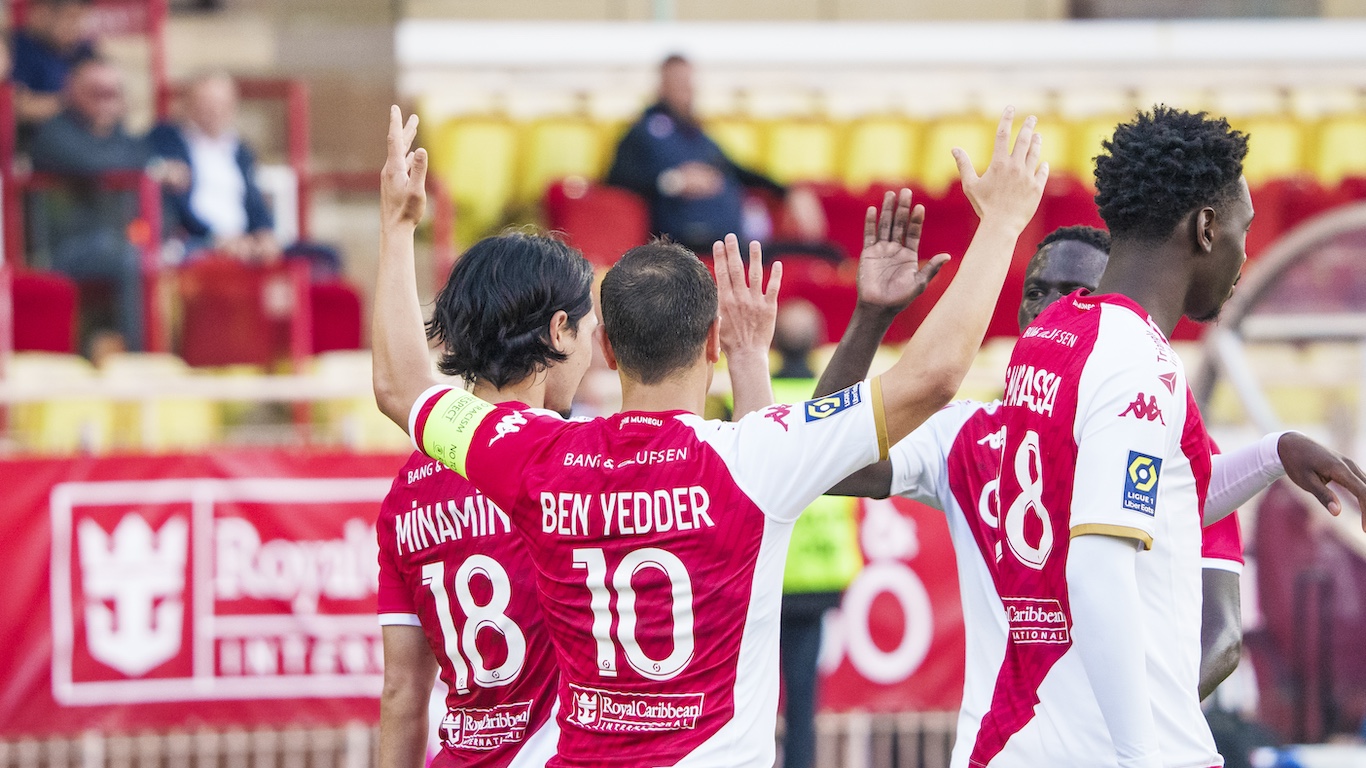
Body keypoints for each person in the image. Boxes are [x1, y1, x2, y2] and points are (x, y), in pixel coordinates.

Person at [373, 105, 1047, 766]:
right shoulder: (751, 459)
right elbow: (932, 377)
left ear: (609, 350)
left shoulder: (541, 456)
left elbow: (403, 389)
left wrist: (399, 226)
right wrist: (1002, 224)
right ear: (712, 344)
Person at [819, 221, 1366, 768]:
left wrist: (1131, 731)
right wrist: (870, 319)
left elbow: (1220, 638)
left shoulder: (1169, 441)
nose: (1051, 308)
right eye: (1036, 291)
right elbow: (827, 460)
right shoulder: (963, 436)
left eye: (1077, 292)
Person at [376, 227, 780, 768]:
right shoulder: (564, 465)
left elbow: (402, 692)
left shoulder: (406, 492)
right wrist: (747, 358)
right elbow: (744, 486)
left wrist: (398, 226)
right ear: (559, 332)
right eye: (589, 330)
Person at [28, 58, 182, 352]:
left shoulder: (128, 142)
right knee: (133, 258)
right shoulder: (53, 135)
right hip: (64, 250)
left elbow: (156, 195)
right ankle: (139, 356)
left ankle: (182, 355)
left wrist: (165, 235)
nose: (106, 101)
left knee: (173, 256)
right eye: (96, 92)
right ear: (71, 92)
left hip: (121, 245)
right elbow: (96, 165)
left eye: (113, 93)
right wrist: (153, 168)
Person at [605, 54, 825, 254]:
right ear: (662, 87)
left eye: (690, 84)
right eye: (679, 84)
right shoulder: (642, 132)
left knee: (822, 254)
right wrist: (674, 181)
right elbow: (615, 178)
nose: (688, 91)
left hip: (731, 241)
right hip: (686, 244)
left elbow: (739, 170)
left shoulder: (699, 137)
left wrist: (788, 191)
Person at [149, 73, 280, 264]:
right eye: (206, 103)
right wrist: (214, 238)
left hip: (243, 242)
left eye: (222, 103)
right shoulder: (166, 141)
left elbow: (254, 202)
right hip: (195, 242)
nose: (215, 110)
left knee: (317, 257)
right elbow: (174, 204)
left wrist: (264, 233)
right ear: (188, 104)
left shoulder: (240, 150)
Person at [10, 0, 95, 146]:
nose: (78, 26)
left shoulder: (84, 51)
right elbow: (17, 107)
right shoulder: (15, 50)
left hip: (88, 144)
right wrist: (76, 102)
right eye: (71, 17)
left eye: (82, 18)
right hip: (35, 145)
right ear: (42, 12)